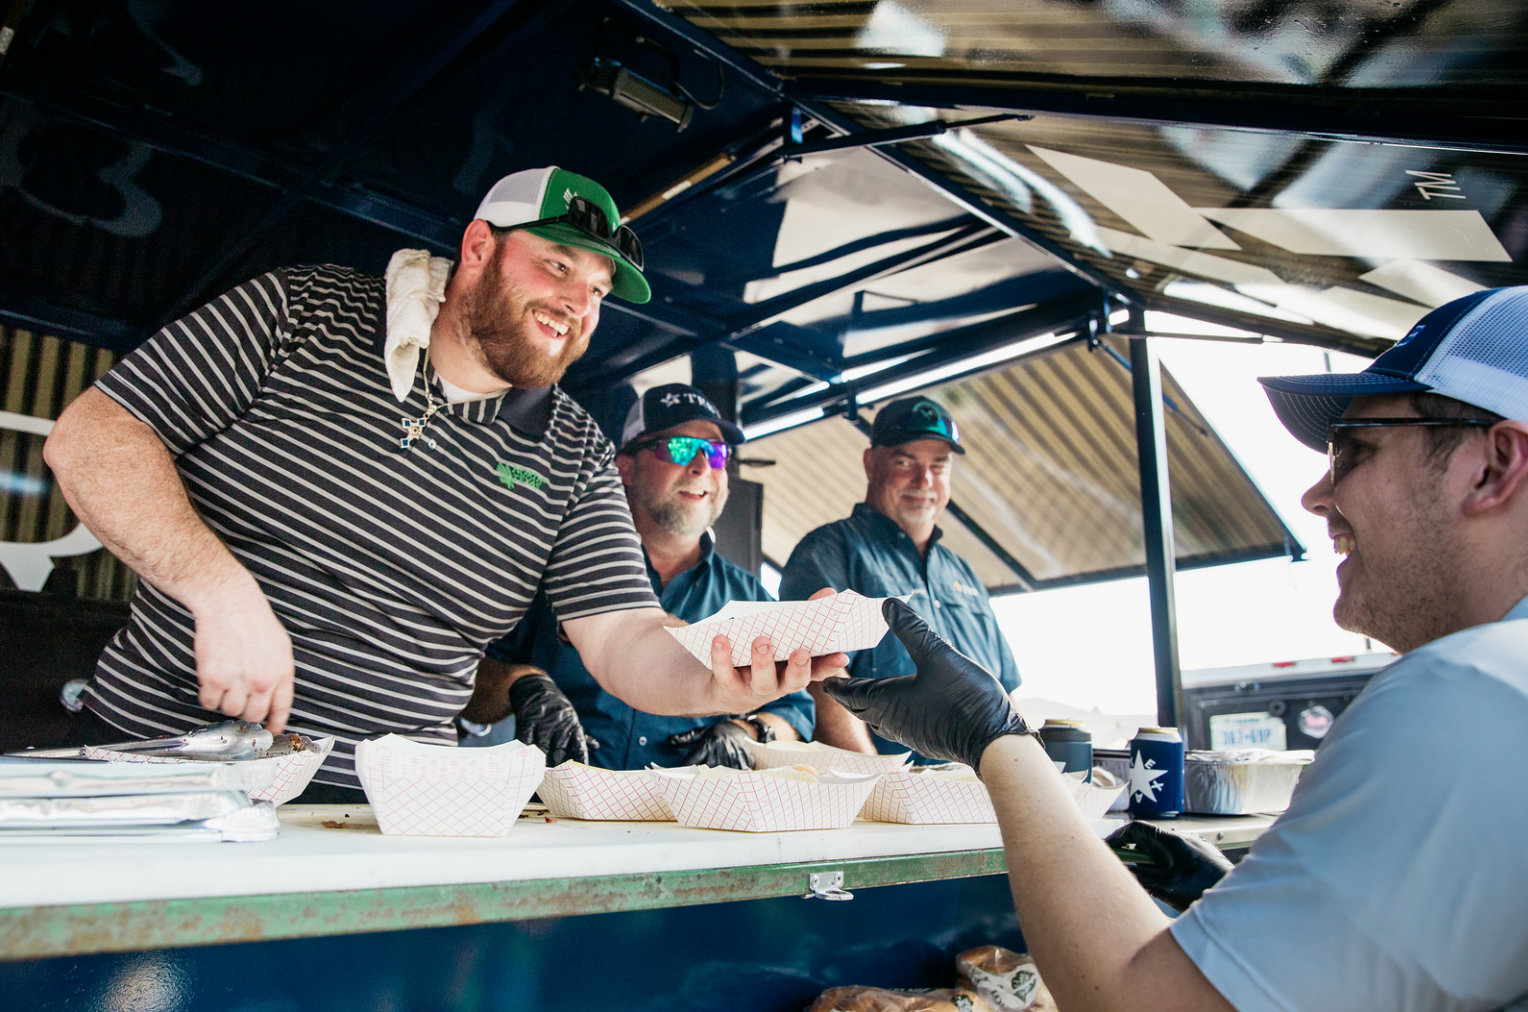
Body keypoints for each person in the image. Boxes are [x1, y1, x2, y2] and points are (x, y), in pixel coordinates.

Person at [824, 285, 1528, 1011]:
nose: (1316, 497)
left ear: (1494, 464)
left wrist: (996, 743)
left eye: (1353, 451)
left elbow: (1143, 1003)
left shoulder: (1472, 691)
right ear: (872, 464)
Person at [42, 166, 840, 798]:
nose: (576, 304)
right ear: (480, 248)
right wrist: (220, 591)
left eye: (595, 290)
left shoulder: (577, 453)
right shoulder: (301, 312)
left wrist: (724, 673)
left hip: (385, 820)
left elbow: (626, 635)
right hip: (163, 773)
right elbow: (95, 438)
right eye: (557, 265)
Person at [462, 383, 814, 768]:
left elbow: (796, 711)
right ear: (625, 467)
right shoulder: (554, 572)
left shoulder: (752, 599)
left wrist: (745, 734)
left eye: (716, 452)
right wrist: (520, 685)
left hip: (685, 819)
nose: (701, 466)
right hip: (555, 813)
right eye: (679, 447)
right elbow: (467, 677)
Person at [779, 395, 1021, 762]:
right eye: (905, 462)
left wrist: (1025, 774)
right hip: (887, 802)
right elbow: (821, 686)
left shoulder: (963, 572)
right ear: (870, 463)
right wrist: (879, 786)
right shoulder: (827, 551)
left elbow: (1006, 696)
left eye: (939, 466)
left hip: (983, 795)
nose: (924, 480)